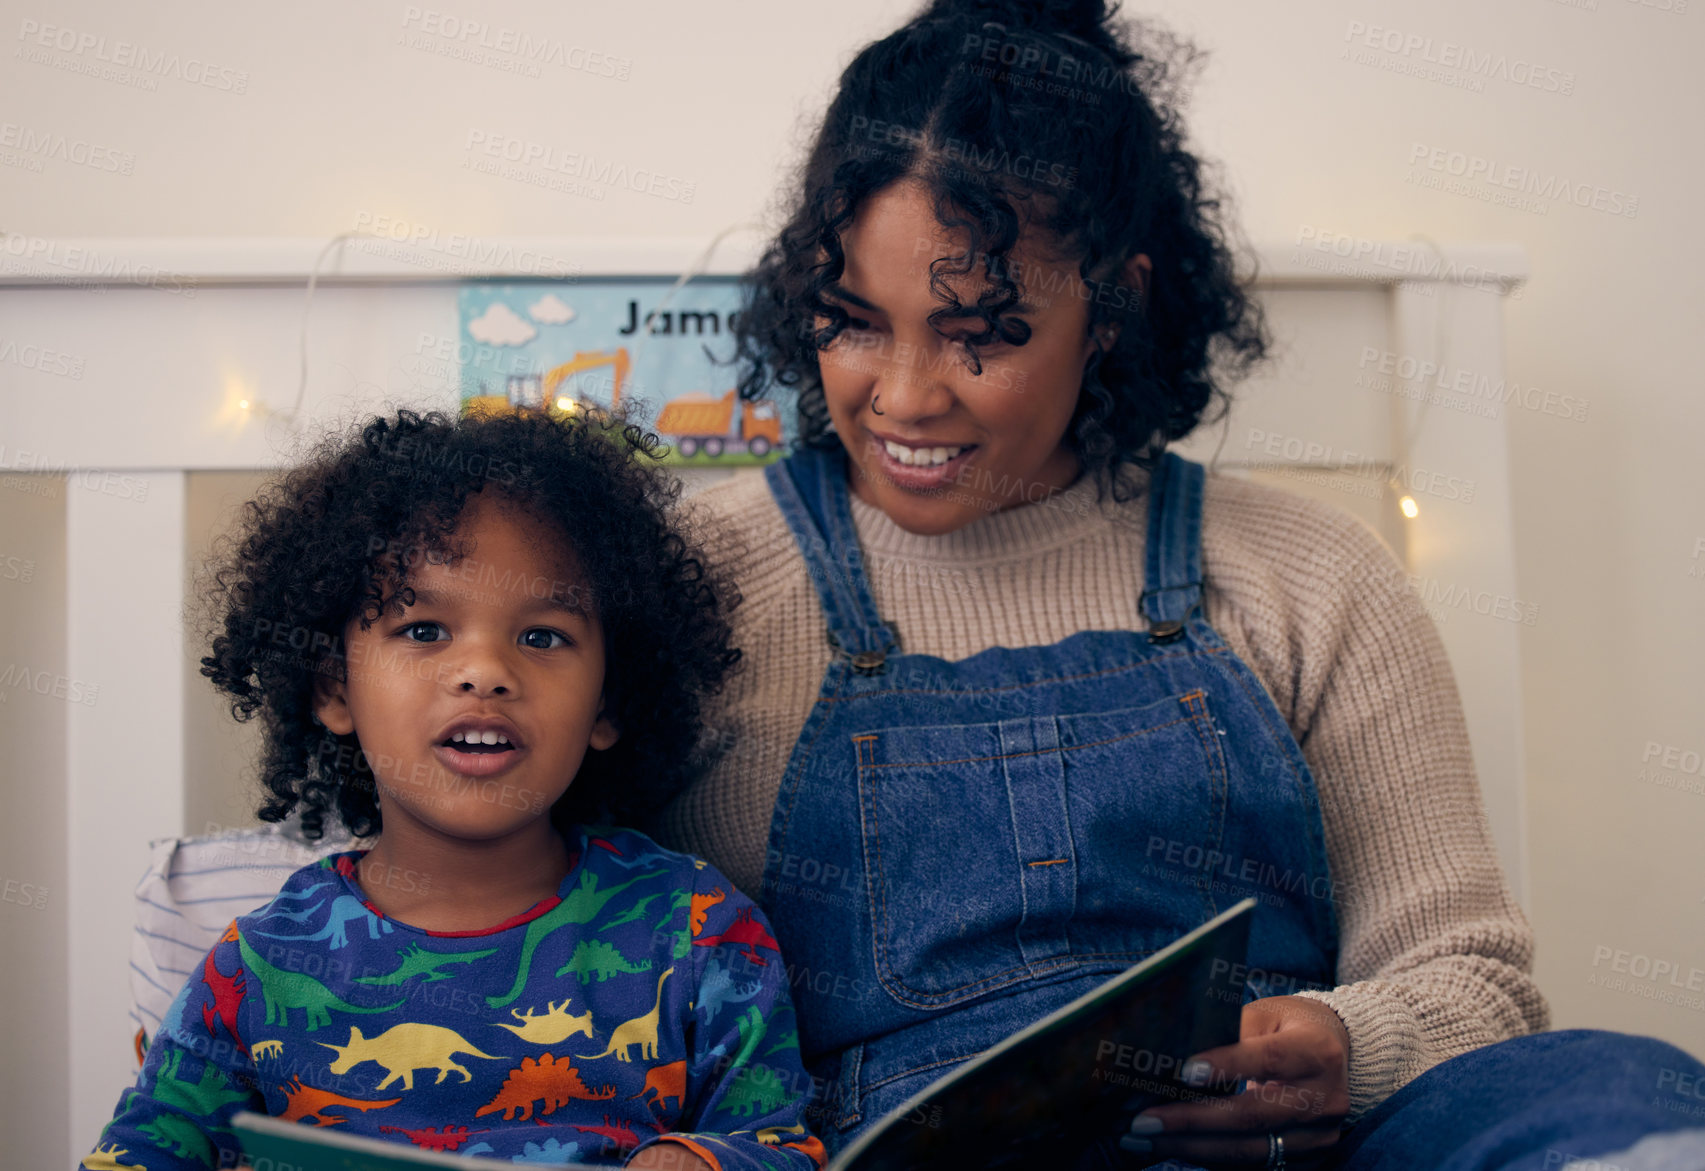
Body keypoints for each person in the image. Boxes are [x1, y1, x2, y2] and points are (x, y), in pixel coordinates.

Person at [649, 1, 1705, 1168]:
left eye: (979, 333)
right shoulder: (702, 584)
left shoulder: (1306, 572)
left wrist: (1348, 1041)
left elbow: (1474, 983)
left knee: (1621, 1080)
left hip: (1282, 1153)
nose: (902, 396)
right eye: (851, 322)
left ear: (1116, 304)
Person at [86, 408, 827, 1171]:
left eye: (542, 636)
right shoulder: (257, 965)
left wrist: (699, 1162)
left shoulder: (697, 931)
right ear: (334, 688)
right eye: (424, 630)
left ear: (608, 702)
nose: (484, 670)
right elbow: (136, 1151)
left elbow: (781, 1145)